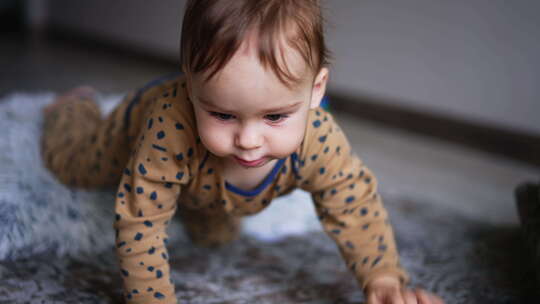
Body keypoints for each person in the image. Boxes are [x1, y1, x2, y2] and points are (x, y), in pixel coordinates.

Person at [41, 1, 445, 303]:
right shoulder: (171, 126)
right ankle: (73, 107)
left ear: (316, 91)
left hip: (211, 189)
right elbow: (139, 219)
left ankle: (204, 186)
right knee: (74, 164)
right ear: (191, 86)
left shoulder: (319, 139)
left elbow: (353, 204)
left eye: (274, 116)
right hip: (133, 129)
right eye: (222, 113)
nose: (249, 140)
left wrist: (383, 276)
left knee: (214, 234)